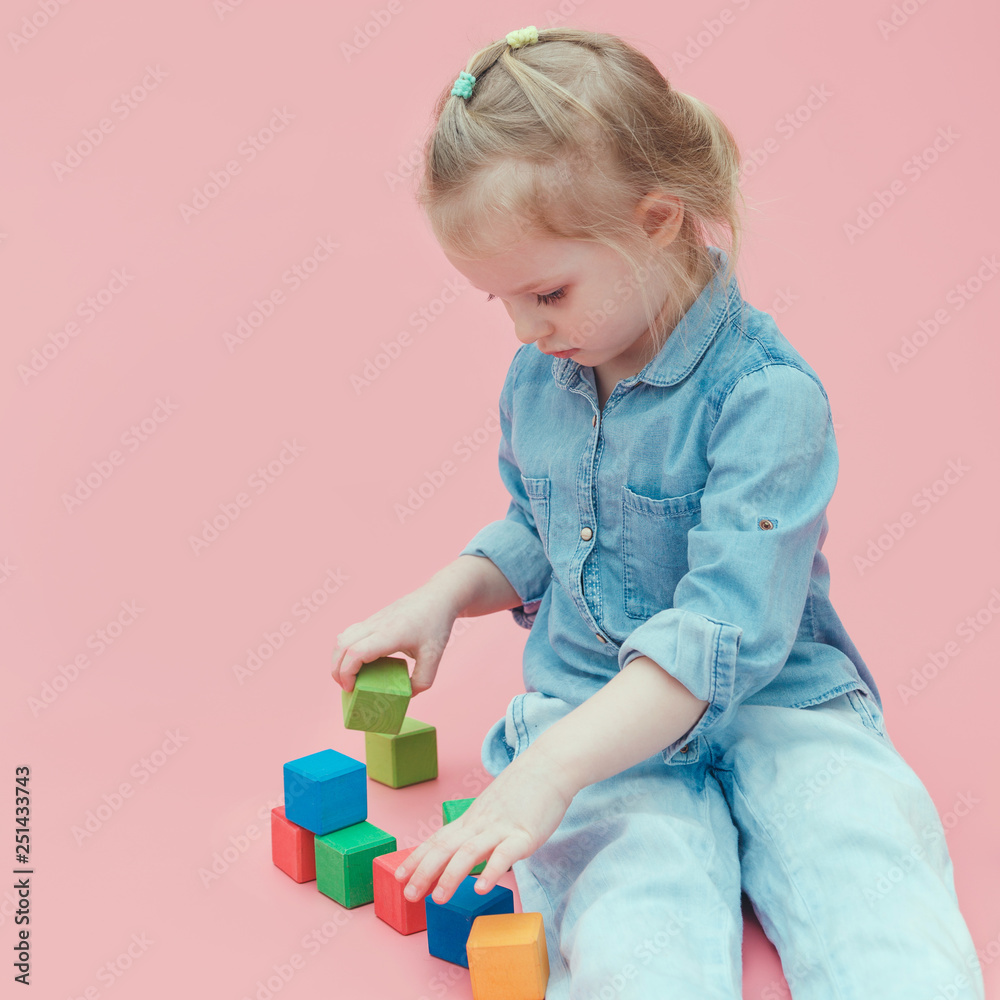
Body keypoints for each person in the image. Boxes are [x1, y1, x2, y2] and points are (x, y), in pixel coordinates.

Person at [331, 25, 984, 999]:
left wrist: (548, 768)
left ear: (656, 220)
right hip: (593, 703)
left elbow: (723, 626)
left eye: (546, 292)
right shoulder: (541, 374)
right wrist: (447, 593)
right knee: (639, 913)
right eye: (500, 302)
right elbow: (544, 531)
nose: (523, 330)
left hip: (777, 701)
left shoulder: (767, 399)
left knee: (863, 861)